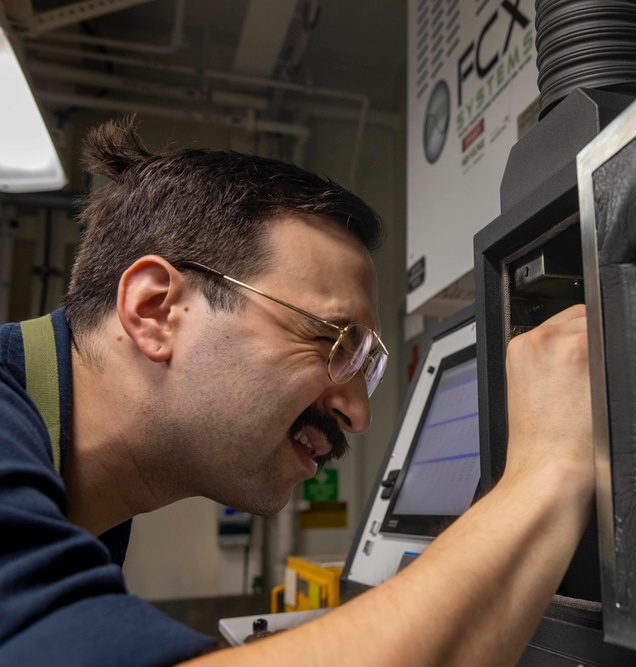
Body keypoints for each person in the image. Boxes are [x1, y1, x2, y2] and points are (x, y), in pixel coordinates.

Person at [0, 118, 594, 666]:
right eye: (331, 341)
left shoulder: (80, 510)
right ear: (156, 311)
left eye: (367, 366)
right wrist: (546, 472)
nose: (357, 413)